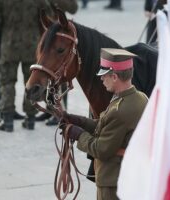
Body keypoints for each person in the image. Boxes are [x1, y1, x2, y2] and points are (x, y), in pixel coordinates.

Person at [61, 48, 148, 200]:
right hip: (129, 175)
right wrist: (79, 121)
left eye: (104, 76)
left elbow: (101, 149)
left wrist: (78, 134)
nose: (101, 80)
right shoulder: (139, 98)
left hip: (113, 180)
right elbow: (107, 127)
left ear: (114, 77)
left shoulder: (120, 109)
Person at [0, 0, 78, 132]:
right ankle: (30, 118)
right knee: (31, 82)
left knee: (7, 82)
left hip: (9, 46)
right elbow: (50, 19)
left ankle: (7, 119)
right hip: (32, 46)